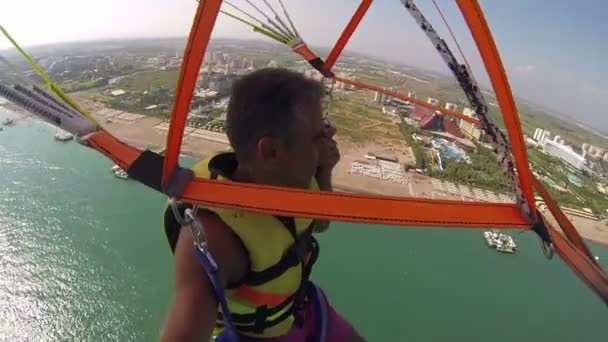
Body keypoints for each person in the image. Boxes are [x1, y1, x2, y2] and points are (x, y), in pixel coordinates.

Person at [160, 68, 365, 342]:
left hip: (303, 307)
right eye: (318, 136)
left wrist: (324, 170)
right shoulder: (214, 234)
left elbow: (320, 223)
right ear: (270, 151)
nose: (328, 143)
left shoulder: (295, 177)